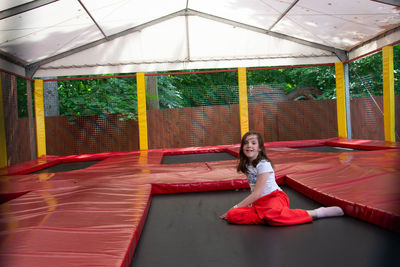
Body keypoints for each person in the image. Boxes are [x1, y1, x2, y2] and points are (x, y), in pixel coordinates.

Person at [220, 131, 344, 225]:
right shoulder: (247, 164)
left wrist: (236, 206)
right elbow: (254, 191)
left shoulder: (263, 164)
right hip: (260, 203)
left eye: (253, 143)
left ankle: (316, 213)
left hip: (275, 197)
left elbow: (257, 193)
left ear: (260, 148)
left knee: (270, 214)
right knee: (233, 216)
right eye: (246, 143)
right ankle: (268, 216)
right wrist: (237, 210)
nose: (249, 146)